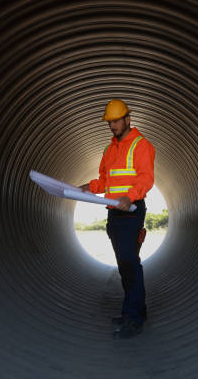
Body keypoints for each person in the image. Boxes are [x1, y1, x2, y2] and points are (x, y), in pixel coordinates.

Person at [79, 99, 155, 339]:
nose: (112, 126)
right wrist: (88, 188)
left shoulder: (142, 146)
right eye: (109, 122)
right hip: (114, 212)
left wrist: (129, 197)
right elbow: (104, 181)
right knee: (125, 266)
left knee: (130, 264)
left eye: (116, 121)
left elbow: (145, 179)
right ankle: (132, 311)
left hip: (131, 211)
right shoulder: (109, 149)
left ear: (128, 119)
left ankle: (134, 317)